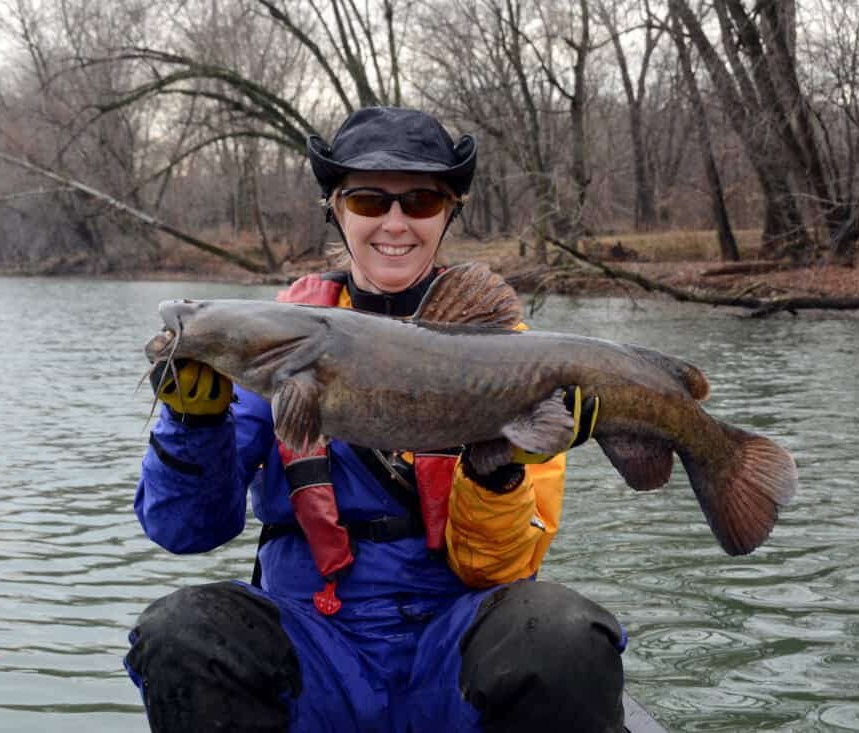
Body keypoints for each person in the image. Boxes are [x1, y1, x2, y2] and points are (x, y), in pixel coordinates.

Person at [125, 106, 628, 733]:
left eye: (420, 201)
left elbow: (501, 572)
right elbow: (183, 531)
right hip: (314, 648)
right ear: (335, 209)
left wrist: (498, 473)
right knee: (181, 631)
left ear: (449, 212)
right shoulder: (273, 349)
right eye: (368, 200)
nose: (395, 223)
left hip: (453, 650)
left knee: (561, 635)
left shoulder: (519, 362)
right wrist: (192, 427)